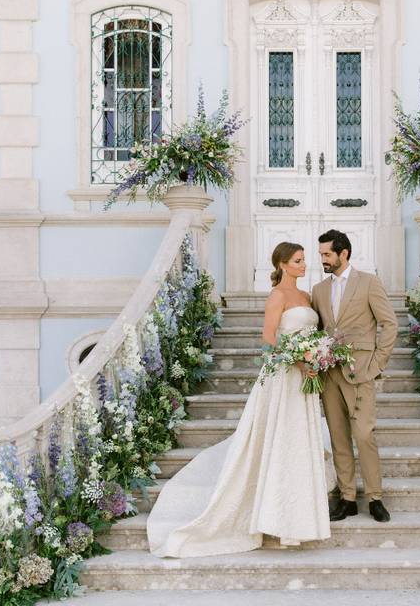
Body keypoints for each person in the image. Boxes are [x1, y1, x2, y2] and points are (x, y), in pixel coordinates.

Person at [146, 242, 333, 557]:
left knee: (296, 442)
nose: (304, 265)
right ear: (283, 264)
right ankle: (270, 516)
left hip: (306, 377)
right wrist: (300, 361)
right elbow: (269, 341)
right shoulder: (277, 296)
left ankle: (296, 518)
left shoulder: (306, 297)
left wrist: (317, 357)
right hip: (283, 377)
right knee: (278, 439)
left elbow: (312, 335)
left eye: (304, 260)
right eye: (299, 261)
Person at [311, 229, 397, 523]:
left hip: (361, 372)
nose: (322, 259)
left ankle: (375, 498)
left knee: (364, 435)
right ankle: (347, 498)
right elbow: (320, 330)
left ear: (343, 253)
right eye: (321, 253)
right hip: (329, 375)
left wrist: (376, 364)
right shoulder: (319, 290)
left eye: (327, 254)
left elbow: (390, 324)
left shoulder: (369, 283)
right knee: (338, 439)